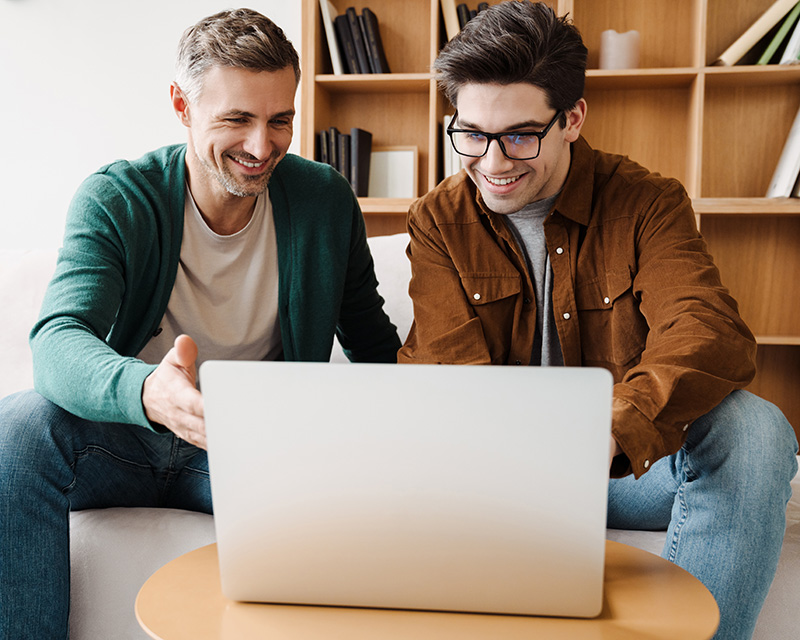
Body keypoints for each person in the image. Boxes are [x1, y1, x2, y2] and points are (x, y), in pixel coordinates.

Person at [398, 2, 797, 639]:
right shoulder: (438, 220)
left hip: (619, 469)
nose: (493, 163)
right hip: (502, 475)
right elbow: (451, 379)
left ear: (573, 118)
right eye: (470, 134)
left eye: (520, 136)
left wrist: (610, 429)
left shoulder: (647, 202)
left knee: (756, 430)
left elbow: (708, 331)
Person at [0, 8, 399, 637]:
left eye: (280, 120)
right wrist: (148, 391)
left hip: (254, 447)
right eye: (236, 119)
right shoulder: (118, 198)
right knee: (16, 430)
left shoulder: (325, 201)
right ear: (182, 106)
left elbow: (377, 348)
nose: (261, 146)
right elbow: (57, 341)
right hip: (126, 438)